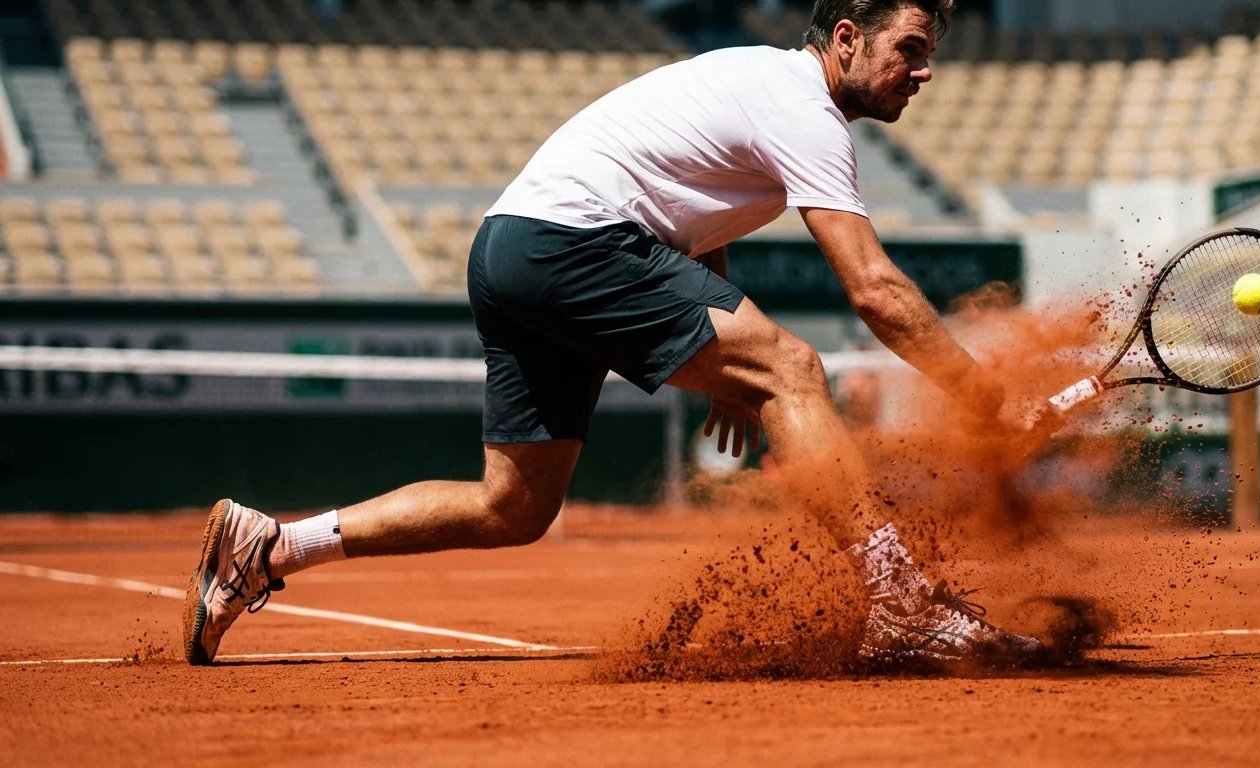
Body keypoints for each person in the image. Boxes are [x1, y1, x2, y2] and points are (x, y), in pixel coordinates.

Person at [184, 0, 1045, 667]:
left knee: (513, 506)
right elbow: (876, 290)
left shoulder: (764, 83)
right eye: (911, 50)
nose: (923, 72)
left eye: (928, 56)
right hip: (570, 241)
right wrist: (976, 392)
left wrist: (730, 363)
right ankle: (899, 601)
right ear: (849, 37)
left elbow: (700, 213)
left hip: (511, 248)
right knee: (796, 369)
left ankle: (271, 546)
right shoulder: (804, 107)